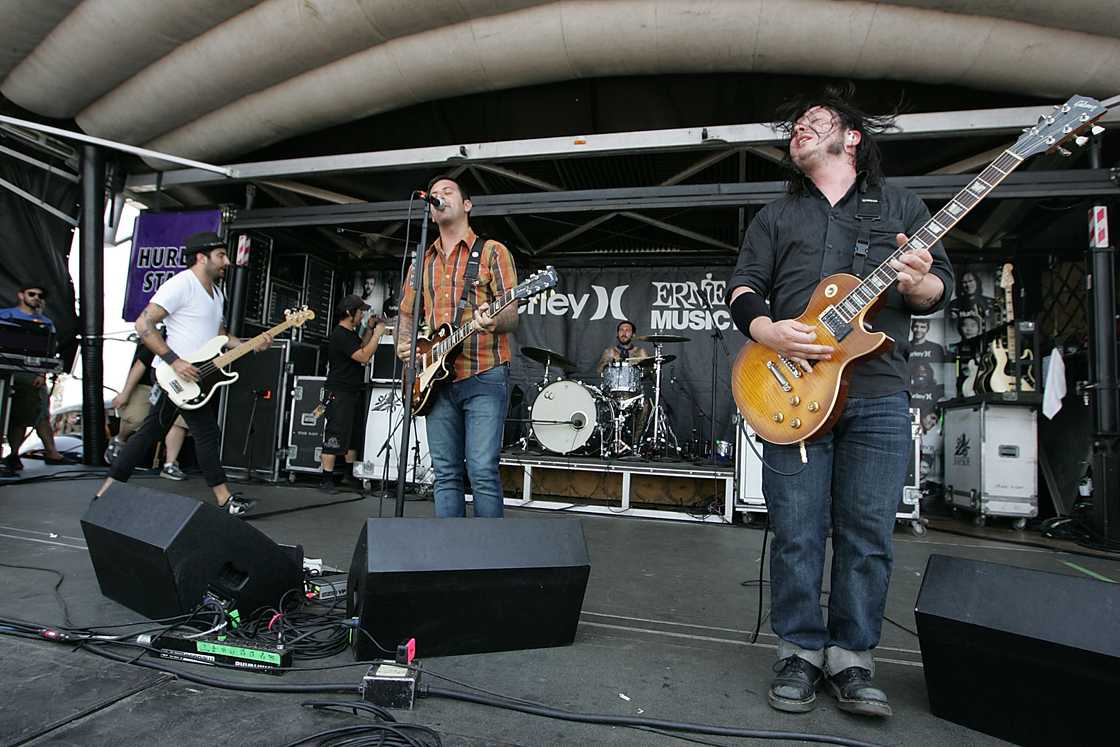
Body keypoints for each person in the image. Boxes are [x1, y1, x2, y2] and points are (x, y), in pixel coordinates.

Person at [726, 85, 954, 718]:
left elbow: (938, 289)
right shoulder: (777, 216)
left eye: (814, 120)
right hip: (793, 391)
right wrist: (767, 330)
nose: (799, 128)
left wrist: (921, 282)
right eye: (795, 124)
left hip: (877, 392)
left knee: (868, 533)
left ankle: (852, 659)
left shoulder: (902, 206)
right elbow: (743, 286)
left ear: (852, 136)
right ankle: (798, 652)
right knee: (797, 532)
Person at [96, 232, 270, 515]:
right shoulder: (181, 284)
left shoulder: (217, 293)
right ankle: (225, 499)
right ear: (202, 257)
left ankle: (106, 493)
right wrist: (174, 361)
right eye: (221, 256)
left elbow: (220, 337)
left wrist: (251, 344)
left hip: (195, 377)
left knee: (153, 433)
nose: (226, 262)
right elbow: (143, 324)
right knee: (201, 433)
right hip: (175, 375)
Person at [396, 175, 518, 518]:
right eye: (434, 194)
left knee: (481, 470)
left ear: (467, 204)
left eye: (447, 192)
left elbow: (511, 312)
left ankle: (487, 550)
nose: (439, 197)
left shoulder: (493, 251)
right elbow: (407, 312)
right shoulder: (421, 261)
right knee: (445, 473)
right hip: (434, 380)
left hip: (484, 373)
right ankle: (450, 550)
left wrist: (494, 320)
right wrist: (404, 344)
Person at [319, 294, 387, 491]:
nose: (362, 316)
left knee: (351, 433)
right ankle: (327, 479)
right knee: (335, 432)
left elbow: (360, 346)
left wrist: (370, 329)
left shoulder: (349, 334)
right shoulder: (340, 334)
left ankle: (349, 475)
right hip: (339, 391)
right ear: (350, 313)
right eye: (360, 312)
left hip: (351, 390)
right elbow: (363, 356)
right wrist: (377, 335)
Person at [1, 283, 65, 471]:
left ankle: (15, 455)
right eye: (32, 294)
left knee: (29, 414)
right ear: (21, 295)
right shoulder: (4, 316)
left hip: (30, 374)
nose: (36, 298)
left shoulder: (46, 323)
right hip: (4, 372)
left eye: (40, 295)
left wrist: (41, 373)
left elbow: (48, 352)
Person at [108, 338, 190, 479]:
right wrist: (125, 394)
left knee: (179, 420)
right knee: (135, 418)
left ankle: (170, 465)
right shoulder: (160, 337)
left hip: (178, 386)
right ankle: (119, 439)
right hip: (149, 384)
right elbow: (140, 364)